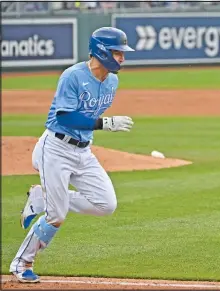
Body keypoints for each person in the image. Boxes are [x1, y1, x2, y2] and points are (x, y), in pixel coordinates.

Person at [9, 27, 135, 283]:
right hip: (55, 149)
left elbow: (85, 120)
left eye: (122, 53)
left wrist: (98, 126)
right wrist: (105, 123)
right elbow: (65, 115)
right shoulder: (73, 76)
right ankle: (22, 262)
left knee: (106, 204)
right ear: (101, 50)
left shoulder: (112, 80)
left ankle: (41, 198)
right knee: (57, 216)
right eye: (117, 52)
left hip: (83, 151)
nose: (122, 58)